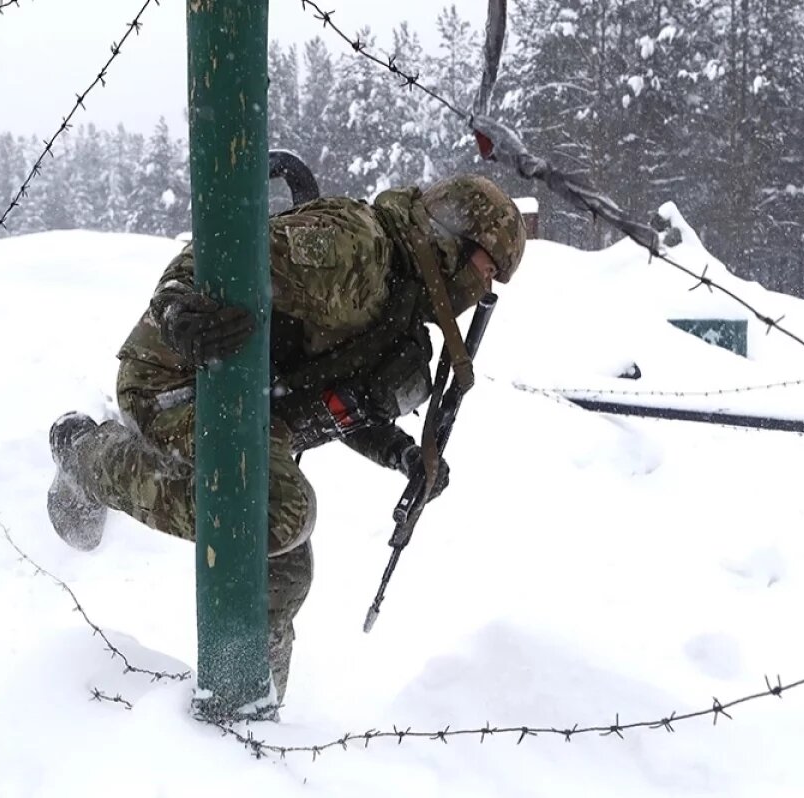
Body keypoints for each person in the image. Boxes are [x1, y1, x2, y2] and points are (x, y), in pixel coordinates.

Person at [45, 174, 527, 702]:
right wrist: (179, 312)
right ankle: (88, 457)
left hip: (247, 403)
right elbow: (217, 255)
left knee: (286, 565)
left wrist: (401, 452)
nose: (484, 288)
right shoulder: (358, 248)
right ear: (453, 239)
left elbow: (329, 398)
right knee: (281, 512)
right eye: (487, 270)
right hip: (180, 381)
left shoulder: (397, 298)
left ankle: (250, 704)